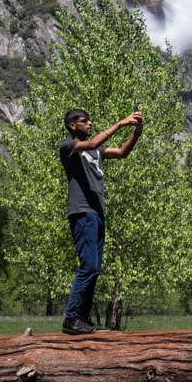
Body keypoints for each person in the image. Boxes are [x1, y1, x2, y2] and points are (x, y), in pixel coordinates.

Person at [59, 107, 143, 334]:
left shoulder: (97, 152)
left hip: (97, 214)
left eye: (89, 120)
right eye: (84, 121)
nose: (90, 123)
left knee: (95, 268)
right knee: (88, 266)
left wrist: (136, 133)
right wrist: (121, 123)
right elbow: (92, 144)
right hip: (82, 212)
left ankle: (82, 319)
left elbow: (122, 153)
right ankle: (71, 318)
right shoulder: (68, 146)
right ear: (72, 126)